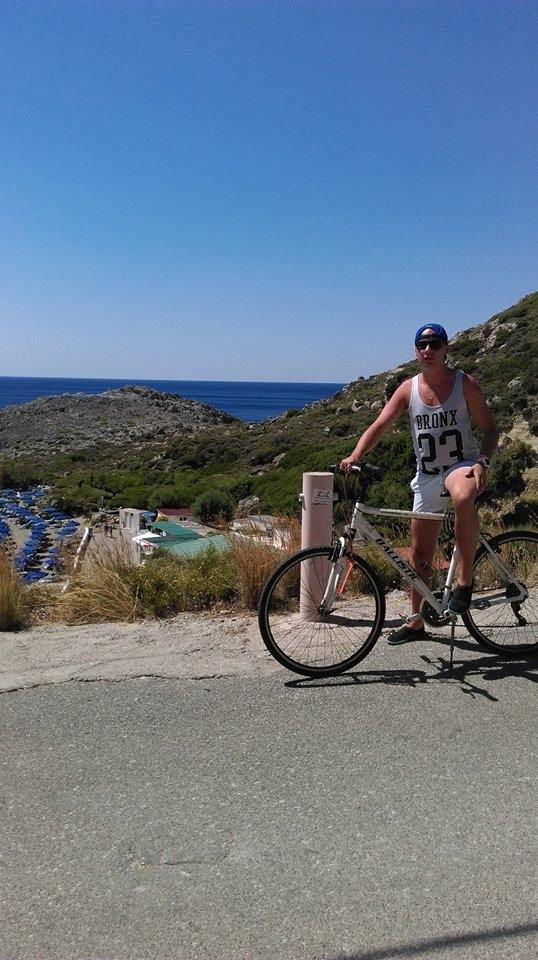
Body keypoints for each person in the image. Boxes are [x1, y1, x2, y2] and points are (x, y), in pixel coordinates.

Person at [340, 323, 499, 644]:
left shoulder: (464, 384)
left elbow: (490, 429)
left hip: (461, 466)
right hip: (426, 475)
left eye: (435, 344)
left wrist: (482, 461)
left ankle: (465, 582)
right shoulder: (408, 389)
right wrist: (355, 455)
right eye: (423, 345)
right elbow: (380, 425)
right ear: (415, 351)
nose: (429, 350)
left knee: (462, 495)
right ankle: (415, 622)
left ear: (446, 349)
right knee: (420, 554)